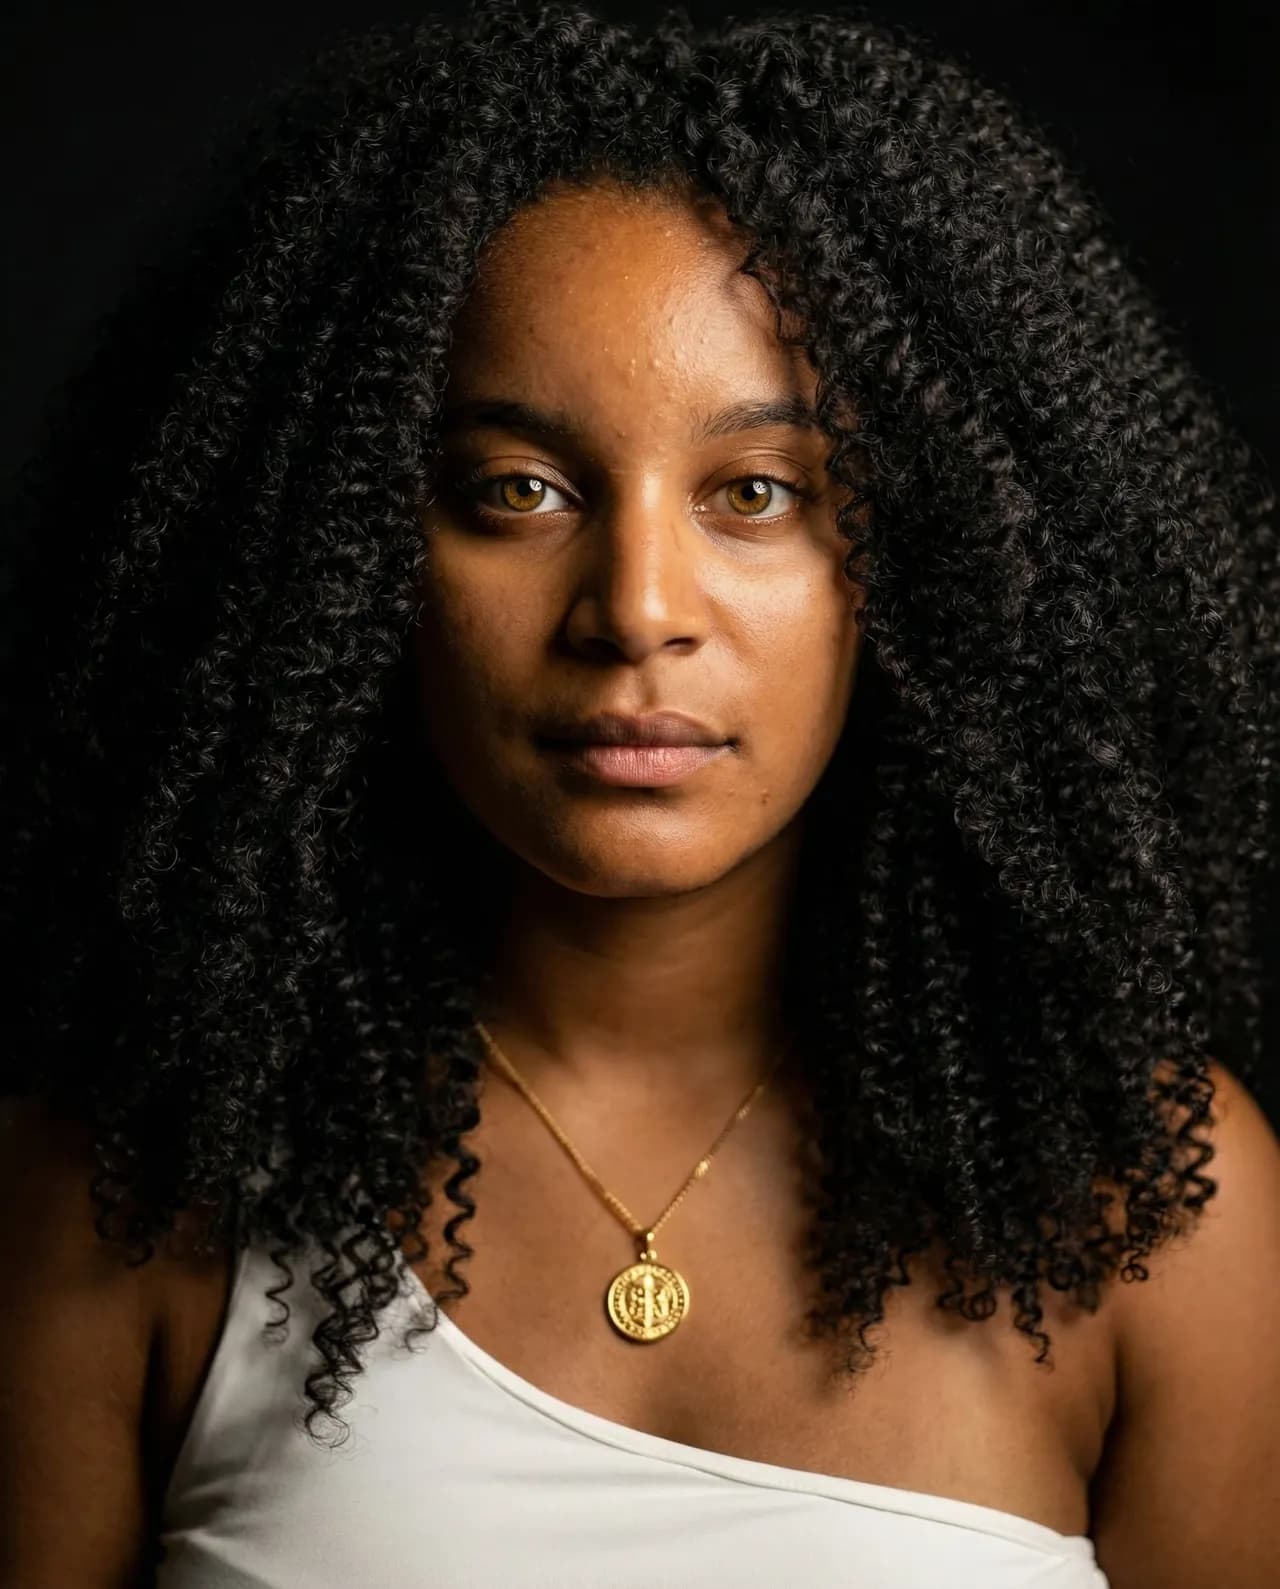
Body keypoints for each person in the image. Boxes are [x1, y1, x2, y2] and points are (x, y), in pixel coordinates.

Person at [3, 2, 1279, 1584]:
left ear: (923, 559)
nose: (637, 607)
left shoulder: (1149, 1205)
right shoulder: (127, 1182)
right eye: (517, 490)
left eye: (757, 492)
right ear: (344, 552)